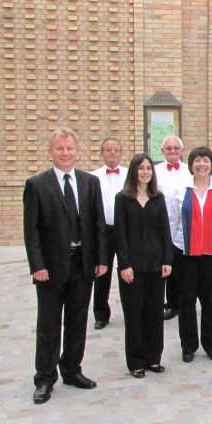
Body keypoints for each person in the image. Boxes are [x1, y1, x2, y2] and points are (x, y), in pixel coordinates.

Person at [23, 127, 108, 404]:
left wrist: (100, 260)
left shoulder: (88, 183)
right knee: (48, 325)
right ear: (50, 152)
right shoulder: (36, 185)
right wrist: (37, 265)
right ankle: (45, 378)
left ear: (78, 151)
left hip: (82, 265)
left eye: (70, 148)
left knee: (76, 321)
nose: (65, 153)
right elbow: (31, 230)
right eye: (60, 149)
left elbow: (98, 225)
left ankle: (72, 369)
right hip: (50, 267)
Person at [168, 147, 212, 363]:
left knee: (210, 300)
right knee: (186, 300)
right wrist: (170, 251)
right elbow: (172, 222)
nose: (201, 164)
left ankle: (211, 344)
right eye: (197, 160)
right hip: (186, 254)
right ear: (191, 165)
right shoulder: (180, 191)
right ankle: (188, 346)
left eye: (205, 160)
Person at [114, 153, 174, 378]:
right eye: (141, 168)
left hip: (156, 265)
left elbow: (164, 231)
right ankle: (136, 362)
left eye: (149, 168)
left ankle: (153, 358)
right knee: (134, 315)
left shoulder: (157, 197)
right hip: (133, 268)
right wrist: (124, 265)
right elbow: (119, 234)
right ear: (133, 171)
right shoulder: (123, 199)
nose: (146, 172)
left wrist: (167, 260)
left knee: (153, 314)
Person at [89, 138, 127, 330]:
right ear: (101, 153)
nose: (112, 153)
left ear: (121, 153)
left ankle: (130, 310)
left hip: (124, 230)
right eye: (108, 150)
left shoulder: (130, 175)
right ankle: (101, 314)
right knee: (101, 272)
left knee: (126, 271)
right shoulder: (92, 177)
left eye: (116, 150)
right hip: (102, 230)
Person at [154, 135, 189, 321]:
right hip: (161, 224)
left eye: (176, 148)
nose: (173, 151)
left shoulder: (189, 171)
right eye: (169, 148)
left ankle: (182, 302)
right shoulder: (154, 171)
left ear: (182, 151)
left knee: (181, 267)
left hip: (183, 227)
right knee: (164, 265)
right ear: (162, 151)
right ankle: (169, 303)